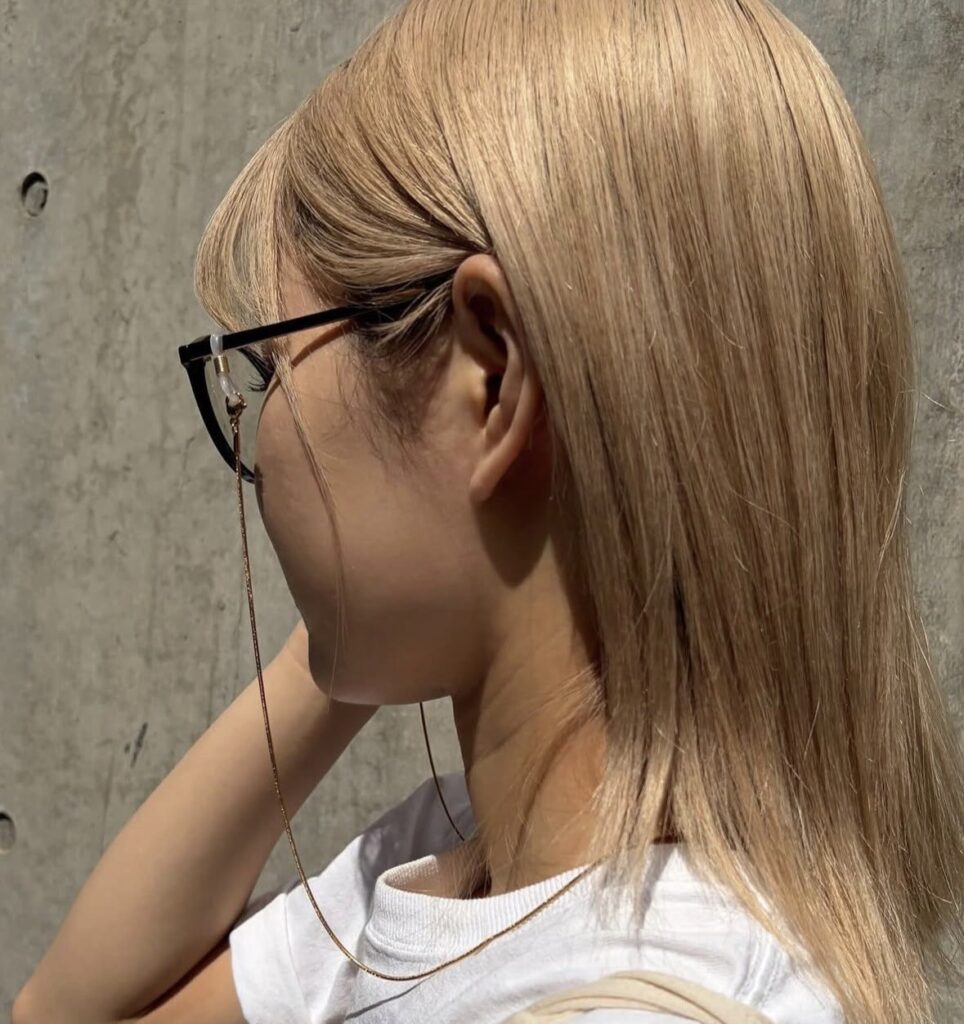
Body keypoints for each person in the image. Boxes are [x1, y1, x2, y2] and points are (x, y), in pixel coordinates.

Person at [14, 1, 964, 1022]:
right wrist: (357, 611)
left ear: (492, 373)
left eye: (269, 365)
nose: (258, 432)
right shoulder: (471, 858)